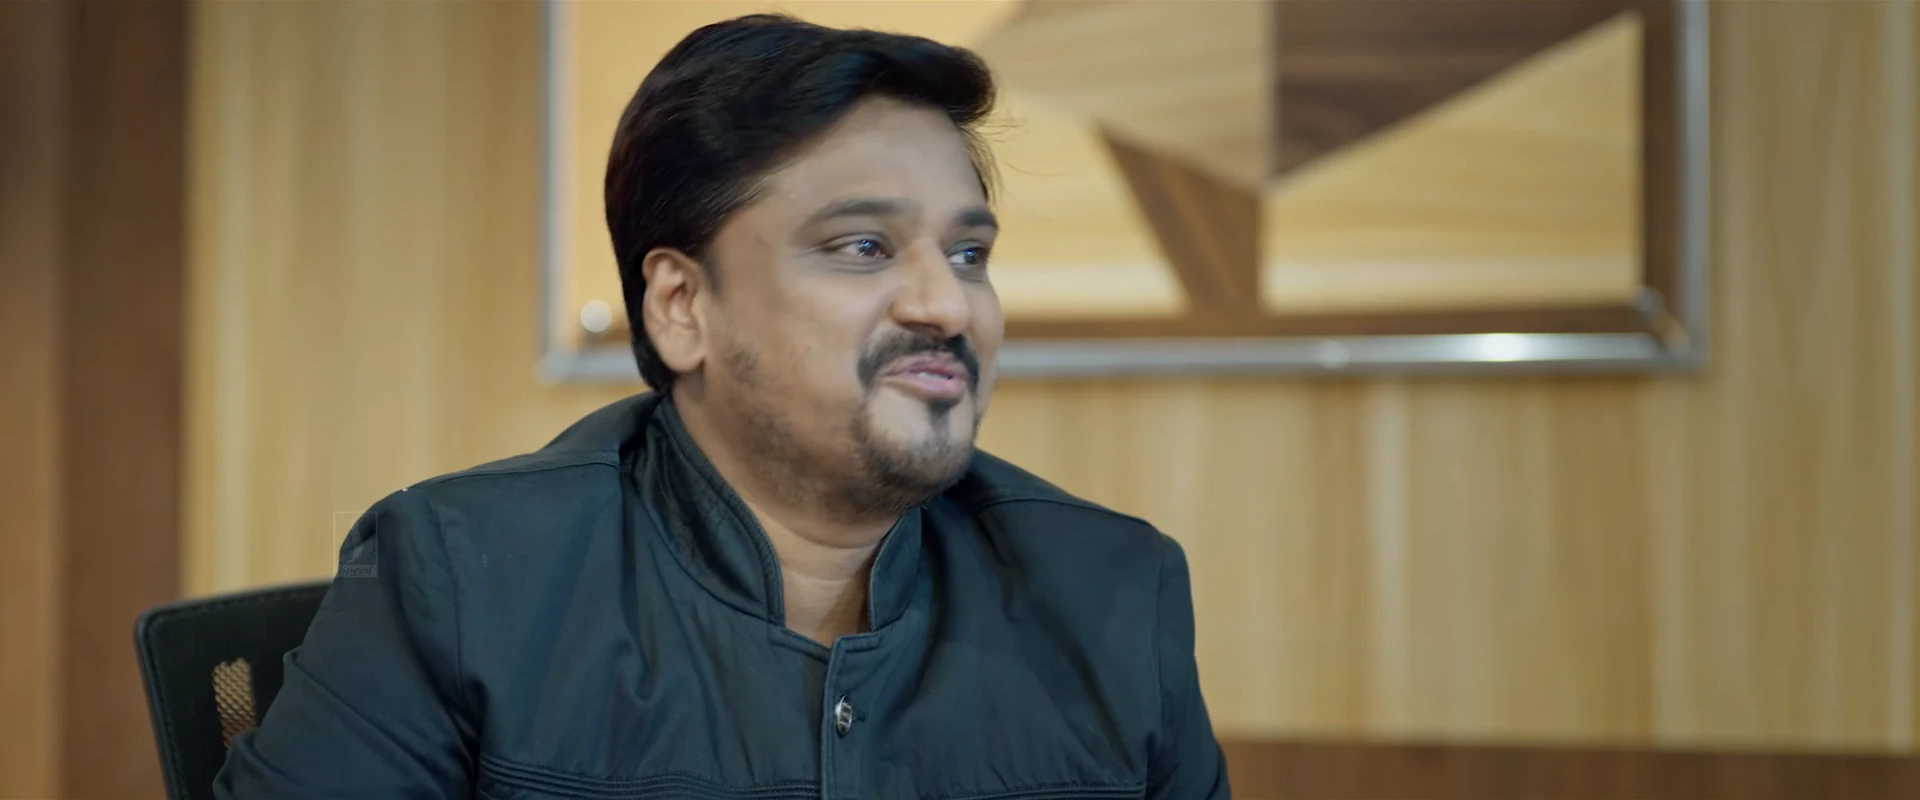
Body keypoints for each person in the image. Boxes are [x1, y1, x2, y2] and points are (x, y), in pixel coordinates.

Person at [215, 13, 1229, 800]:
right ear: (682, 306)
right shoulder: (457, 577)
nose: (946, 304)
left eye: (968, 254)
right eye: (864, 246)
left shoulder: (1112, 592)